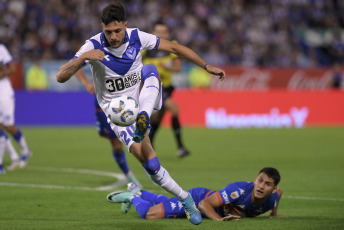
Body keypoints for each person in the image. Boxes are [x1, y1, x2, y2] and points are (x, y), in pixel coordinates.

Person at [56, 2, 225, 225]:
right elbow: (60, 76)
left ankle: (144, 118)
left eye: (118, 31)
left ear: (125, 25)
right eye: (109, 32)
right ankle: (185, 199)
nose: (114, 36)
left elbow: (174, 48)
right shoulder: (92, 45)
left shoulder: (137, 36)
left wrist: (206, 66)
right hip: (119, 116)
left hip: (143, 100)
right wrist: (83, 58)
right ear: (101, 28)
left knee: (149, 69)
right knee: (152, 168)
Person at [107, 167, 282, 221]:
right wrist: (219, 220)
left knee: (168, 202)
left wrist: (273, 214)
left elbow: (279, 195)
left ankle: (137, 190)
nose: (261, 186)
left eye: (267, 184)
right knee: (148, 214)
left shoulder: (272, 198)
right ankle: (132, 197)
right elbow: (203, 205)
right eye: (260, 180)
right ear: (255, 179)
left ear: (272, 189)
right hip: (196, 199)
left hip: (202, 205)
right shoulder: (239, 191)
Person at [75, 69, 142, 189]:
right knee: (117, 145)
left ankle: (152, 170)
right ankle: (129, 176)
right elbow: (75, 64)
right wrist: (86, 83)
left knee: (140, 138)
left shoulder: (128, 52)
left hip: (127, 100)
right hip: (105, 104)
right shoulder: (96, 51)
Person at [142, 21, 189, 157]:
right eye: (158, 31)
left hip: (167, 88)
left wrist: (166, 67)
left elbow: (178, 68)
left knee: (157, 118)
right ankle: (180, 147)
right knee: (174, 109)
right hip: (153, 88)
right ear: (153, 32)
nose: (160, 34)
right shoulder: (146, 49)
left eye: (163, 32)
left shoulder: (172, 47)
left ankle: (149, 143)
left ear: (168, 34)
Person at [0, 43, 31, 172]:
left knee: (9, 126)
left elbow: (12, 69)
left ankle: (24, 150)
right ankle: (5, 162)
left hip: (4, 92)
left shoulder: (1, 49)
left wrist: (2, 73)